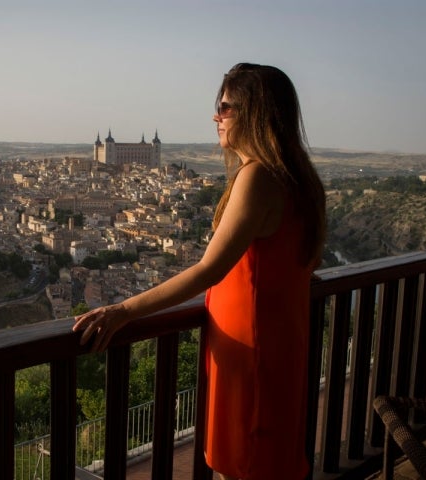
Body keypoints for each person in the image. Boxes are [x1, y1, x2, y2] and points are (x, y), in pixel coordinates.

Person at [73, 62, 326, 480]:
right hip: (277, 343)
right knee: (270, 461)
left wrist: (124, 310)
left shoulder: (259, 177)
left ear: (254, 112)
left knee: (245, 464)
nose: (216, 116)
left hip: (250, 351)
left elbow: (209, 269)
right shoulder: (299, 179)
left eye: (225, 108)